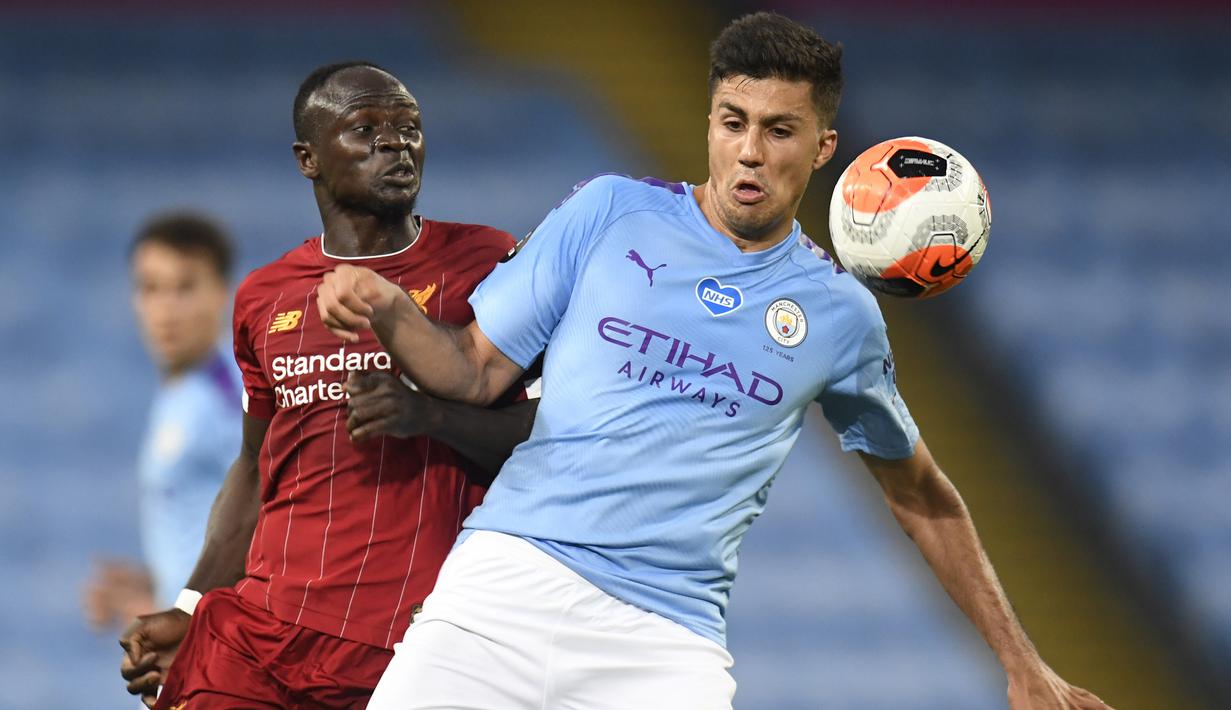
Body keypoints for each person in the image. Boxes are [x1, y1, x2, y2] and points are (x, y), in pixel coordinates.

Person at [317, 13, 1114, 710]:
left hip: (665, 639)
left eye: (778, 130)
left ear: (822, 146)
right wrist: (390, 308)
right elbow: (473, 371)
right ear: (708, 123)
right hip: (504, 586)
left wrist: (1020, 663)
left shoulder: (840, 316)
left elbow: (922, 497)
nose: (749, 152)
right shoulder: (608, 211)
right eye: (732, 122)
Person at [118, 61, 539, 709]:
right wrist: (192, 605)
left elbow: (551, 438)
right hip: (260, 634)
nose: (395, 142)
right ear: (308, 159)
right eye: (365, 128)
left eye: (409, 127)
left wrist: (429, 415)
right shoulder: (265, 295)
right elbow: (255, 471)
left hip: (409, 650)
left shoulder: (485, 262)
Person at [83, 214, 241, 632]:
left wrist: (184, 613)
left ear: (222, 293)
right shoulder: (182, 391)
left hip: (216, 650)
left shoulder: (234, 398)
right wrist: (154, 585)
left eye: (185, 287)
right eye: (150, 288)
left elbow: (276, 529)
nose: (166, 309)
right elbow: (213, 531)